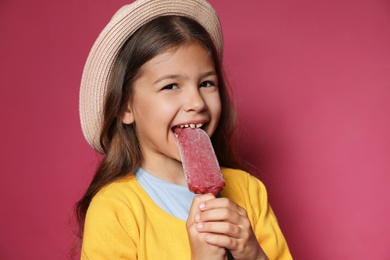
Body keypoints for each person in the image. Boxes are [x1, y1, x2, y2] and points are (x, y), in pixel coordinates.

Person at [76, 0, 292, 259]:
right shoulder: (115, 210)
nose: (197, 103)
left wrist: (253, 253)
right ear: (125, 108)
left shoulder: (248, 191)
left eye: (207, 83)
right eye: (171, 86)